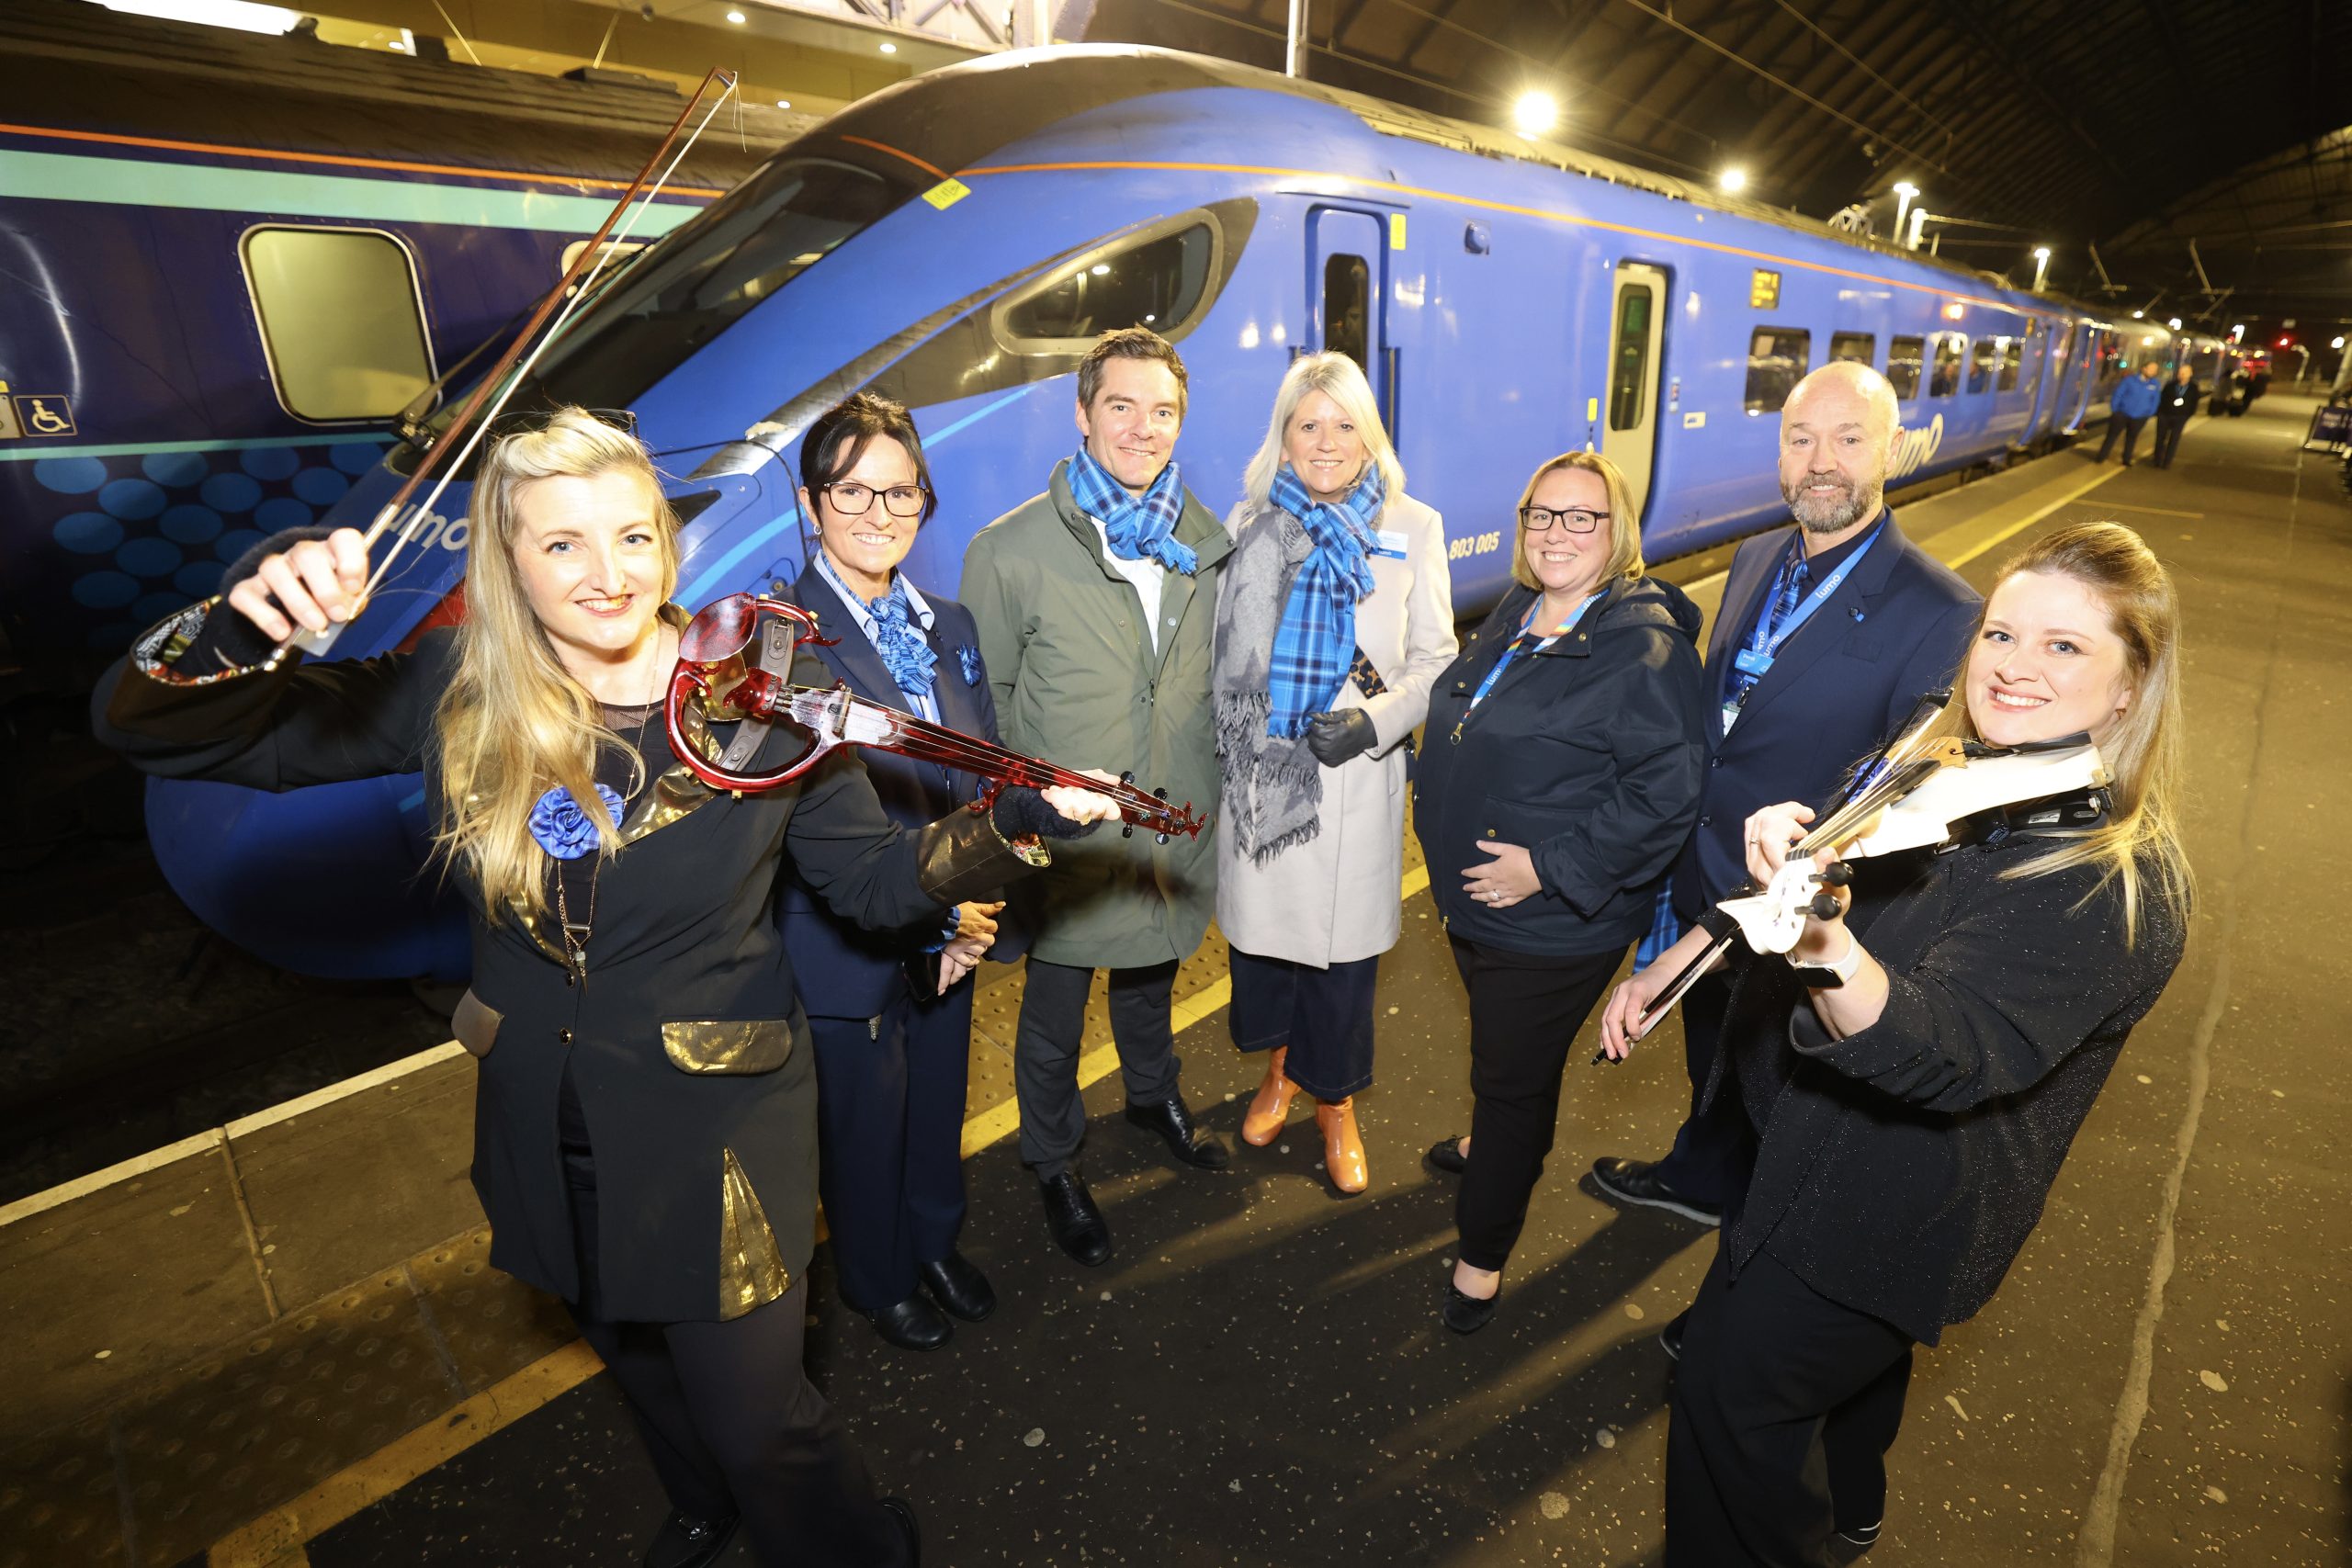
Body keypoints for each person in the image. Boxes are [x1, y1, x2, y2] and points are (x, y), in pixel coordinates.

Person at [92, 410, 1120, 1568]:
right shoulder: (460, 688)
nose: (606, 574)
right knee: (630, 1357)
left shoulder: (771, 693)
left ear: (669, 550)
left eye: (633, 538)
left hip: (719, 1133)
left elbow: (880, 889)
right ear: (508, 557)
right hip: (544, 1115)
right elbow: (161, 735)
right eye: (563, 545)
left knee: (759, 1421)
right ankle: (701, 1504)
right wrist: (244, 618)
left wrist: (1015, 819)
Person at [1602, 521, 2191, 1566]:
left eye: (2064, 647)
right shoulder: (1945, 767)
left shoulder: (2110, 885)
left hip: (1872, 1214)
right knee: (1834, 1396)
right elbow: (1806, 871)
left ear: (2128, 688)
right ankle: (1854, 1505)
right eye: (2000, 634)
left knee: (1726, 1409)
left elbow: (1941, 1050)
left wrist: (1823, 936)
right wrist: (1691, 948)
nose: (2012, 668)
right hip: (1792, 1153)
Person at [1589, 361, 1978, 1233]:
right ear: (1778, 456)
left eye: (1847, 439)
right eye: (1800, 440)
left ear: (1891, 449)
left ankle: (1742, 1280)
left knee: (1778, 1109)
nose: (1821, 461)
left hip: (1796, 911)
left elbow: (1883, 798)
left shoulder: (1942, 608)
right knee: (1710, 1060)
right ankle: (1702, 1174)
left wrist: (1758, 898)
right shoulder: (1759, 553)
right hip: (1704, 871)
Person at [1412, 450, 1708, 1333]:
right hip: (1480, 909)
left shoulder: (1642, 649)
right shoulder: (1523, 606)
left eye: (1582, 517)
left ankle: (1482, 1257)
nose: (1557, 534)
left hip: (1549, 921)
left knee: (1515, 1082)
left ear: (1619, 533)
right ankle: (1491, 1140)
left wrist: (1544, 867)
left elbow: (1667, 793)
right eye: (1542, 515)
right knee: (1503, 1054)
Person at [961, 327, 1236, 1267]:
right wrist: (1013, 825)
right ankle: (1052, 1158)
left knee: (1156, 968)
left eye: (1162, 412)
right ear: (1083, 413)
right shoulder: (1010, 551)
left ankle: (1153, 1094)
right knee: (1054, 1007)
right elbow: (986, 709)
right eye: (1120, 406)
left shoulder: (1203, 541)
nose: (1141, 428)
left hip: (1174, 809)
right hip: (1068, 837)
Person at [778, 393, 1011, 1352]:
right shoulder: (782, 638)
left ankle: (934, 1243)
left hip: (954, 922)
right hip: (847, 940)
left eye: (902, 493)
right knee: (863, 1127)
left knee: (938, 1103)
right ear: (810, 501)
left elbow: (989, 770)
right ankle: (877, 1279)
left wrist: (977, 905)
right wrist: (931, 924)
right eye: (853, 493)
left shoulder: (948, 621)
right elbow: (798, 824)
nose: (880, 516)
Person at [1210, 352, 1456, 1195]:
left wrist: (1377, 722)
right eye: (1307, 423)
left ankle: (1337, 1101)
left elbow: (1437, 660)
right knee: (1268, 959)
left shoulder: (1414, 525)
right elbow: (1222, 660)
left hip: (1353, 782)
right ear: (1283, 437)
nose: (1325, 441)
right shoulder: (1247, 522)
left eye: (1344, 423)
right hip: (1265, 783)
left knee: (1344, 969)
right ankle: (1280, 1071)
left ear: (1369, 435)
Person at [2098, 360, 2164, 465]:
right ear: (2144, 368)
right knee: (2112, 436)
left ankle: (2126, 459)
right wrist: (2115, 410)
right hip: (2122, 414)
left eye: (2155, 370)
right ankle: (2101, 456)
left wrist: (2149, 413)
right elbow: (2118, 394)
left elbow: (2155, 400)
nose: (2153, 372)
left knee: (2132, 438)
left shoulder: (2155, 384)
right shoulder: (2129, 380)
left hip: (2140, 417)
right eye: (2151, 369)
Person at [2152, 362, 2199, 469]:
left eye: (2184, 372)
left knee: (2174, 439)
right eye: (2180, 372)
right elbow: (2162, 399)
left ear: (2190, 374)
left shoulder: (2193, 388)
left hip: (2180, 417)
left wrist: (2187, 415)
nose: (2181, 374)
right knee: (2160, 438)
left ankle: (2167, 461)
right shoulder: (2170, 385)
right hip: (2165, 415)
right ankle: (2157, 459)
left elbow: (2194, 403)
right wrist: (2159, 413)